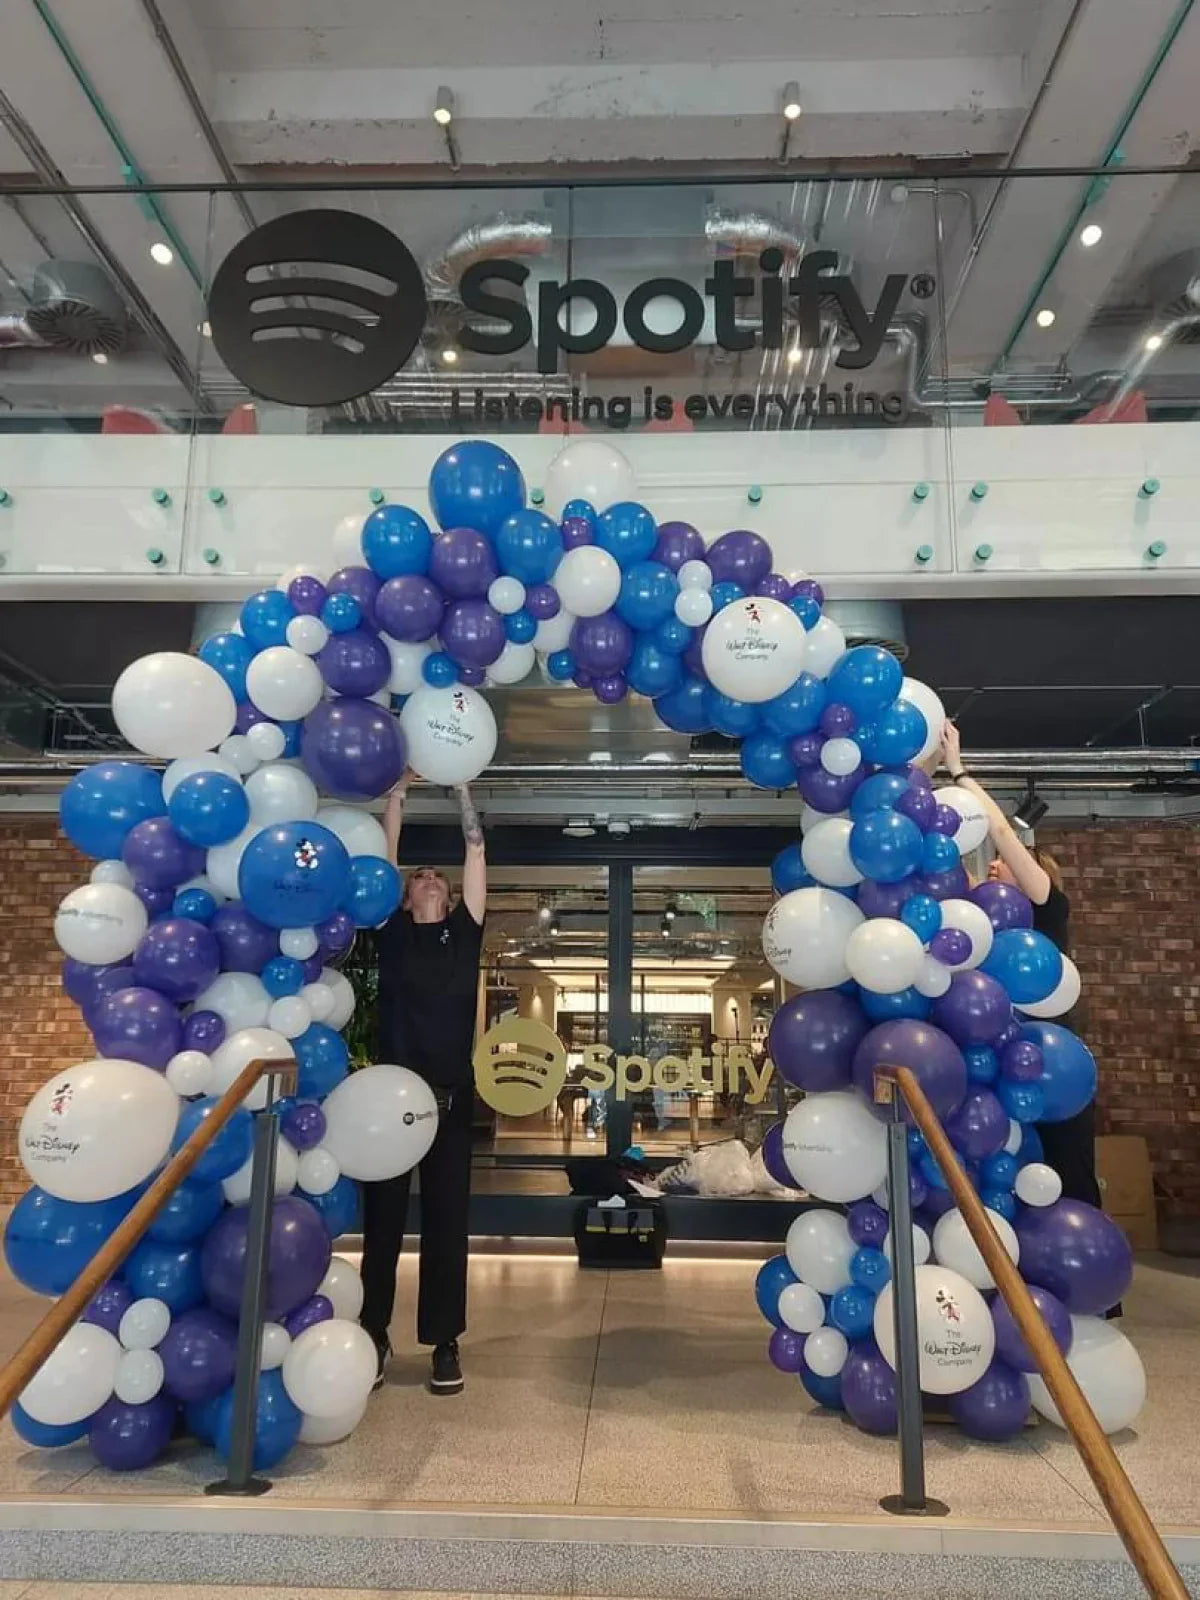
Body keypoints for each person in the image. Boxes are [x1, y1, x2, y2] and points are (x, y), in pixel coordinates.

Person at [939, 721, 1102, 1212]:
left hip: (1052, 1062)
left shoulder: (1048, 905)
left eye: (1004, 864)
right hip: (1002, 1062)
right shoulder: (990, 922)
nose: (994, 866)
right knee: (1015, 1175)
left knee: (1067, 1171)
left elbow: (1002, 832)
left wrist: (959, 771)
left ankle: (1089, 1285)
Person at [359, 772, 486, 1396]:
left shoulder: (465, 934)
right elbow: (386, 863)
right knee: (381, 1222)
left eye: (436, 876)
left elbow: (477, 853)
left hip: (450, 1103)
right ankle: (373, 1332)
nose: (428, 878)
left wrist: (463, 792)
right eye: (418, 879)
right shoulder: (392, 934)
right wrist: (397, 799)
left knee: (445, 1224)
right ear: (407, 897)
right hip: (387, 1102)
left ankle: (443, 1342)